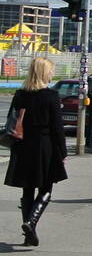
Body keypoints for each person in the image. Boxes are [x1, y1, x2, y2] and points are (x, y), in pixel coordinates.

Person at [5, 56, 67, 246]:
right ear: (44, 73)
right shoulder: (50, 96)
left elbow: (12, 119)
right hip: (44, 145)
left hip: (23, 146)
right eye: (50, 70)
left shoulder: (20, 94)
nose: (52, 73)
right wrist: (63, 153)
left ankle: (28, 234)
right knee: (46, 187)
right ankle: (30, 223)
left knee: (27, 188)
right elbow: (57, 128)